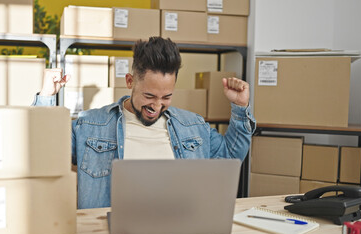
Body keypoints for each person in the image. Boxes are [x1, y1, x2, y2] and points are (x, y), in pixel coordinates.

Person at [33, 37, 256, 209]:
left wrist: (239, 108)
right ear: (130, 81)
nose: (157, 106)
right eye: (149, 96)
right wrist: (45, 97)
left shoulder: (192, 125)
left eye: (166, 97)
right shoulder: (90, 125)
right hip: (108, 231)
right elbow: (42, 152)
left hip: (179, 226)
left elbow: (229, 157)